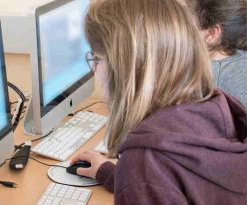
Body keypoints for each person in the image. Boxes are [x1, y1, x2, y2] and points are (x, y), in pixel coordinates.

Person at [72, 0, 247, 204]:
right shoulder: (219, 106)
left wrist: (135, 178)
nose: (94, 69)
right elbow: (190, 185)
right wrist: (121, 177)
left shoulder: (145, 164)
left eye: (97, 58)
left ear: (124, 67)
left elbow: (155, 178)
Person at [187, 0, 247, 107]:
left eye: (187, 26)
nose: (179, 31)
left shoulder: (206, 77)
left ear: (212, 33)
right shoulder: (242, 56)